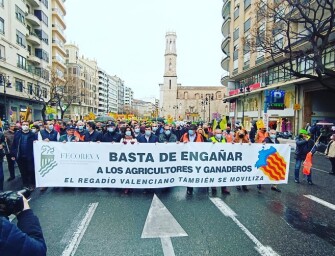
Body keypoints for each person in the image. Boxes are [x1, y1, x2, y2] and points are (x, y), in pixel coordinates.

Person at [11, 121, 36, 190]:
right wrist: (13, 154)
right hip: (20, 156)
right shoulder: (17, 134)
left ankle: (32, 184)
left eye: (27, 125)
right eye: (24, 124)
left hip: (30, 156)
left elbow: (37, 144)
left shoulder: (33, 134)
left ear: (29, 126)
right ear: (21, 126)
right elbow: (14, 145)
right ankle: (25, 184)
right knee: (23, 171)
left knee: (31, 170)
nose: (25, 126)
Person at [180, 124, 204, 195]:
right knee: (189, 173)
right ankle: (189, 188)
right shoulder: (184, 135)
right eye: (189, 130)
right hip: (187, 157)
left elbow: (204, 145)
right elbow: (179, 144)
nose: (190, 131)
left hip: (197, 157)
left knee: (197, 171)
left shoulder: (200, 136)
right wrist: (180, 143)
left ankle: (198, 184)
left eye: (192, 130)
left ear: (195, 130)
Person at [209, 128, 230, 195]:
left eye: (220, 133)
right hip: (214, 160)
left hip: (222, 159)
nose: (219, 134)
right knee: (214, 173)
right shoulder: (210, 139)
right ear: (214, 134)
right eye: (217, 133)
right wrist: (211, 144)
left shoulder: (224, 139)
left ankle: (223, 188)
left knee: (223, 173)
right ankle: (213, 187)